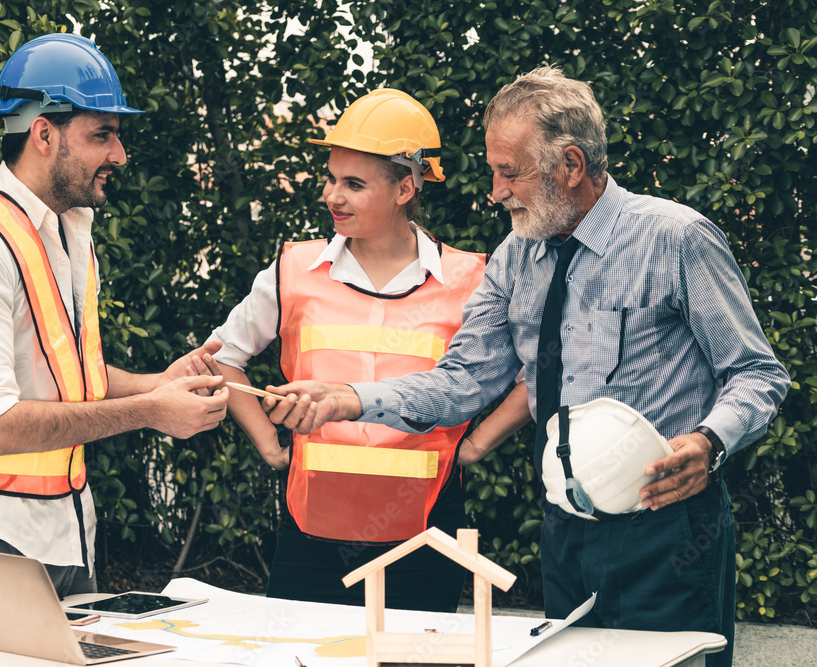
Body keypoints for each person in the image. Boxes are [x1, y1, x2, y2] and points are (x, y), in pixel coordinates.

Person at [263, 67, 789, 667]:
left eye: (509, 172)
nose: (494, 191)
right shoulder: (516, 257)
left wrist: (709, 442)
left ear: (570, 164)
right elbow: (463, 380)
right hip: (565, 529)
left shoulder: (676, 238)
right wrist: (347, 398)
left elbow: (756, 372)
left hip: (669, 527)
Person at [0, 33, 229, 634]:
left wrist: (154, 385)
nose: (121, 155)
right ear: (43, 135)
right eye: (102, 135)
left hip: (59, 530)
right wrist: (150, 412)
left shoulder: (66, 228)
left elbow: (63, 380)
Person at [207, 88, 529, 613]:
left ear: (406, 187)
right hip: (310, 536)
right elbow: (221, 357)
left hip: (426, 535)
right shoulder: (294, 271)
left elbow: (534, 371)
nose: (332, 196)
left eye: (353, 184)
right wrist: (269, 444)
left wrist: (475, 446)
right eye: (331, 178)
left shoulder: (471, 278)